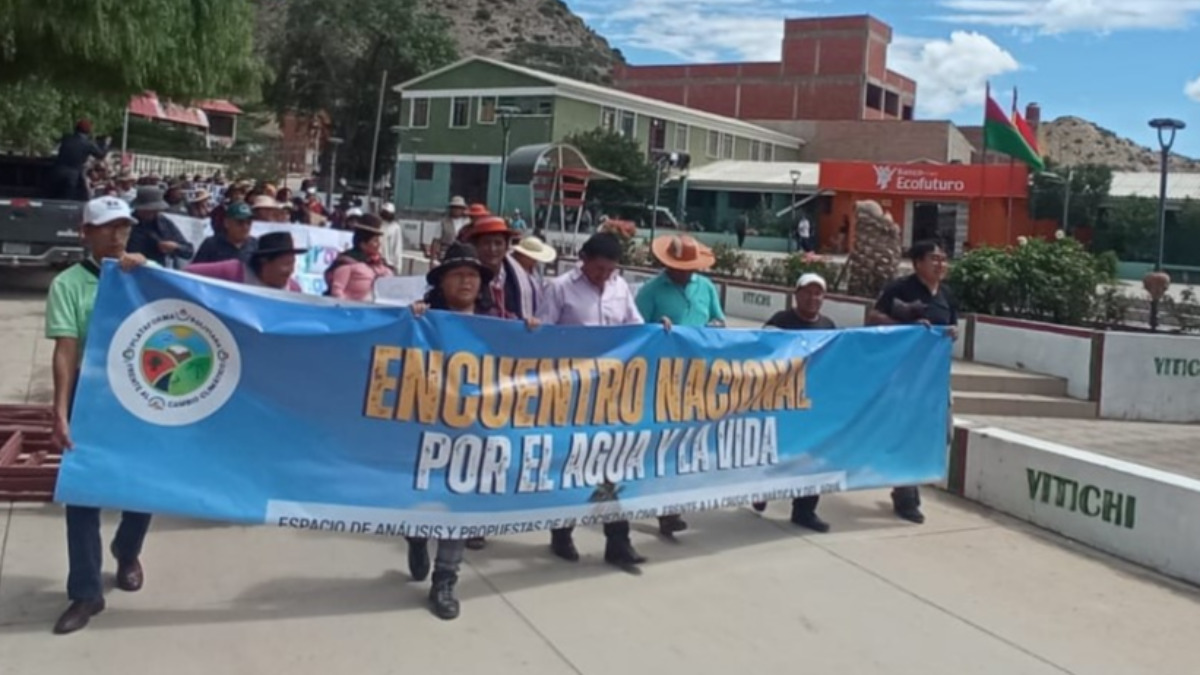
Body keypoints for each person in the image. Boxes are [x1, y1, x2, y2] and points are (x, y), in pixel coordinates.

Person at [406, 242, 540, 620]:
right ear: (442, 281)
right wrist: (409, 318)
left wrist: (530, 331)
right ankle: (414, 535)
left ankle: (445, 580)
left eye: (473, 275)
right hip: (424, 426)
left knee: (458, 503)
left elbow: (530, 354)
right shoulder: (423, 318)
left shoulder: (499, 321)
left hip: (474, 433)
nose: (467, 281)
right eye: (458, 274)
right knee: (416, 497)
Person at [46, 197, 152, 635]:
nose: (117, 234)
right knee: (83, 497)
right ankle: (87, 592)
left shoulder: (143, 277)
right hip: (90, 404)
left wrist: (147, 273)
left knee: (145, 487)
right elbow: (66, 350)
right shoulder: (68, 284)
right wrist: (59, 409)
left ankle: (127, 551)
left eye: (123, 226)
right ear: (84, 232)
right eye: (107, 227)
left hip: (140, 402)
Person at [539, 232, 658, 571]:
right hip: (572, 394)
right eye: (599, 269)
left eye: (610, 270)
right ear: (584, 259)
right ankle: (561, 531)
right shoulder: (560, 288)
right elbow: (542, 338)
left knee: (611, 466)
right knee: (573, 464)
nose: (604, 276)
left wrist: (658, 330)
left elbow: (636, 328)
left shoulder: (620, 288)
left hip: (611, 394)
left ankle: (618, 542)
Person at [635, 234, 725, 537]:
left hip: (698, 377)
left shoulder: (707, 287)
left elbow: (719, 322)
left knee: (685, 443)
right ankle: (662, 506)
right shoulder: (650, 292)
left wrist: (715, 327)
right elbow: (634, 332)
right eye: (679, 266)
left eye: (689, 267)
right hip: (660, 379)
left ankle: (671, 506)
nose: (685, 272)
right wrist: (655, 330)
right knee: (661, 443)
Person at [866, 240, 959, 525]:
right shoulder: (900, 289)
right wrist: (906, 328)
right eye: (934, 258)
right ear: (918, 263)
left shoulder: (946, 295)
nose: (940, 264)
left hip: (934, 379)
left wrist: (952, 334)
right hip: (904, 379)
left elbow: (952, 325)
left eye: (943, 259)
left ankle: (907, 479)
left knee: (943, 433)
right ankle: (906, 494)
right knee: (907, 433)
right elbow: (873, 318)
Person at [750, 273, 837, 532]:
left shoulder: (829, 326)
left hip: (812, 404)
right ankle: (759, 490)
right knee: (774, 451)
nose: (813, 298)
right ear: (796, 295)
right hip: (780, 401)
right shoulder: (779, 322)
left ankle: (805, 510)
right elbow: (760, 351)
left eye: (818, 293)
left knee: (812, 455)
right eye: (807, 292)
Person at [468, 216, 540, 321]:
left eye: (498, 243)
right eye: (486, 243)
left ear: (506, 247)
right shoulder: (465, 278)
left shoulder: (523, 283)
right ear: (476, 246)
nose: (492, 249)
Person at [186, 231, 305, 292]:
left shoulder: (293, 290)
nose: (291, 271)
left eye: (293, 263)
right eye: (286, 264)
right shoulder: (233, 272)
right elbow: (186, 274)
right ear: (264, 260)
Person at [325, 215, 395, 301]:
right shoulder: (347, 263)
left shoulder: (379, 263)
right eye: (375, 241)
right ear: (363, 244)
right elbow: (337, 292)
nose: (379, 245)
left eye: (378, 241)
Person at [126, 187, 195, 268]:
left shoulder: (164, 222)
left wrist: (175, 247)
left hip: (159, 270)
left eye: (156, 210)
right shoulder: (126, 224)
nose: (153, 213)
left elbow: (188, 251)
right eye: (148, 210)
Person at [53, 120, 110, 201]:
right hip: (73, 175)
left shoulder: (66, 138)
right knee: (73, 199)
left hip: (57, 171)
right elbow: (100, 155)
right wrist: (106, 144)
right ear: (88, 131)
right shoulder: (87, 143)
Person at [379, 202, 405, 272]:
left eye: (388, 213)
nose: (386, 215)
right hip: (378, 261)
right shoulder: (378, 224)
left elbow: (398, 247)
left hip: (389, 264)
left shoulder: (395, 227)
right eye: (385, 213)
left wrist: (398, 266)